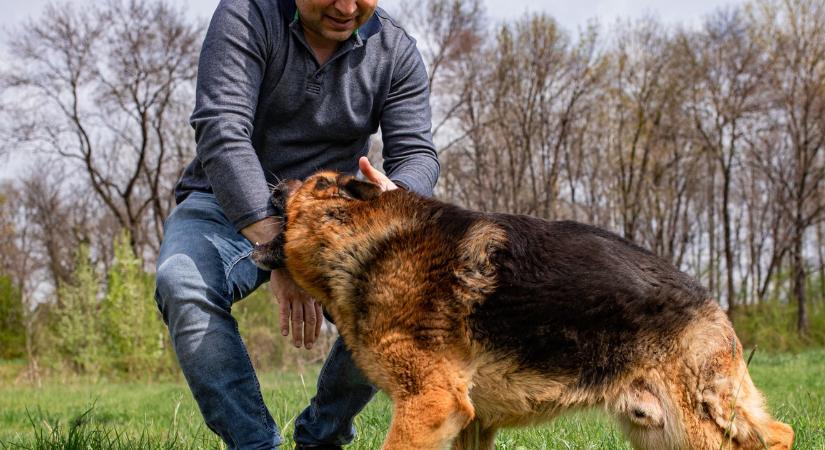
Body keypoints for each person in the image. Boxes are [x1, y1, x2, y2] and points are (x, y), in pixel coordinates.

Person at [153, 0, 439, 448]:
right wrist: (283, 252)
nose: (346, 8)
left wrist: (398, 194)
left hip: (332, 217)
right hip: (225, 203)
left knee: (401, 295)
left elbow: (417, 153)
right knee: (182, 283)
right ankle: (253, 442)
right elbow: (222, 130)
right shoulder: (246, 16)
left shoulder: (396, 49)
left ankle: (322, 437)